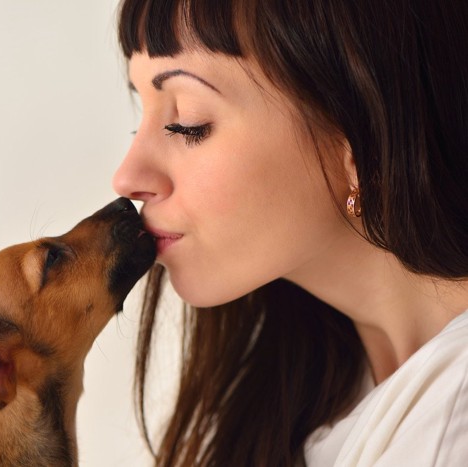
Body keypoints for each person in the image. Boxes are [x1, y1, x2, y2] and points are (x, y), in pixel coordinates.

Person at [110, 0, 468, 465]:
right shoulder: (303, 391)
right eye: (142, 116)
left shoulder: (451, 426)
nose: (127, 178)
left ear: (356, 142)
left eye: (188, 123)